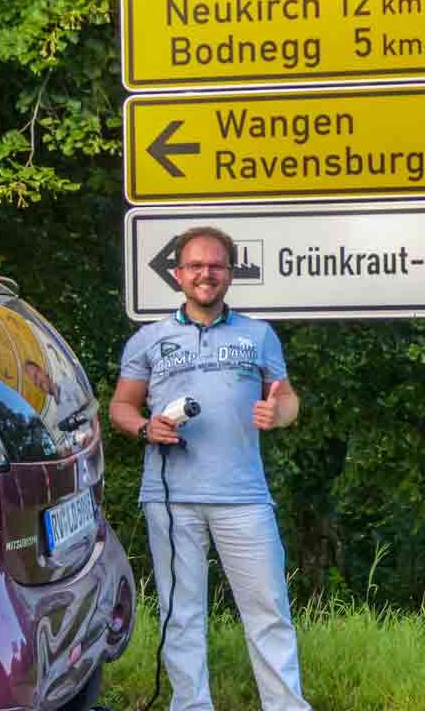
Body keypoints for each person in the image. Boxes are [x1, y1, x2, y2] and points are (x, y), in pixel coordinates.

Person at [109, 226, 311, 711]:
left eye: (216, 266)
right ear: (178, 274)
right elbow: (121, 406)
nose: (206, 274)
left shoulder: (258, 335)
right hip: (171, 498)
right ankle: (191, 705)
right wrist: (144, 429)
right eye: (196, 265)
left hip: (244, 497)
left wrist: (278, 413)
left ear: (228, 274)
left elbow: (286, 398)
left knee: (268, 611)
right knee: (182, 614)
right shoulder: (148, 340)